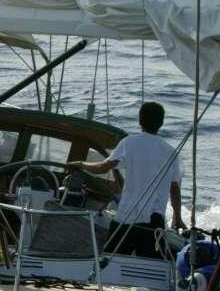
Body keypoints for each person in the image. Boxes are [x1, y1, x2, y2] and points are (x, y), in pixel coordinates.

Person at [74, 100, 182, 257]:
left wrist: (81, 164)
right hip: (154, 222)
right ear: (161, 123)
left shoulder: (129, 143)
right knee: (150, 266)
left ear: (140, 120)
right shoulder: (171, 152)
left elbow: (102, 168)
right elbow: (175, 189)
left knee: (111, 262)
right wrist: (177, 218)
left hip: (127, 218)